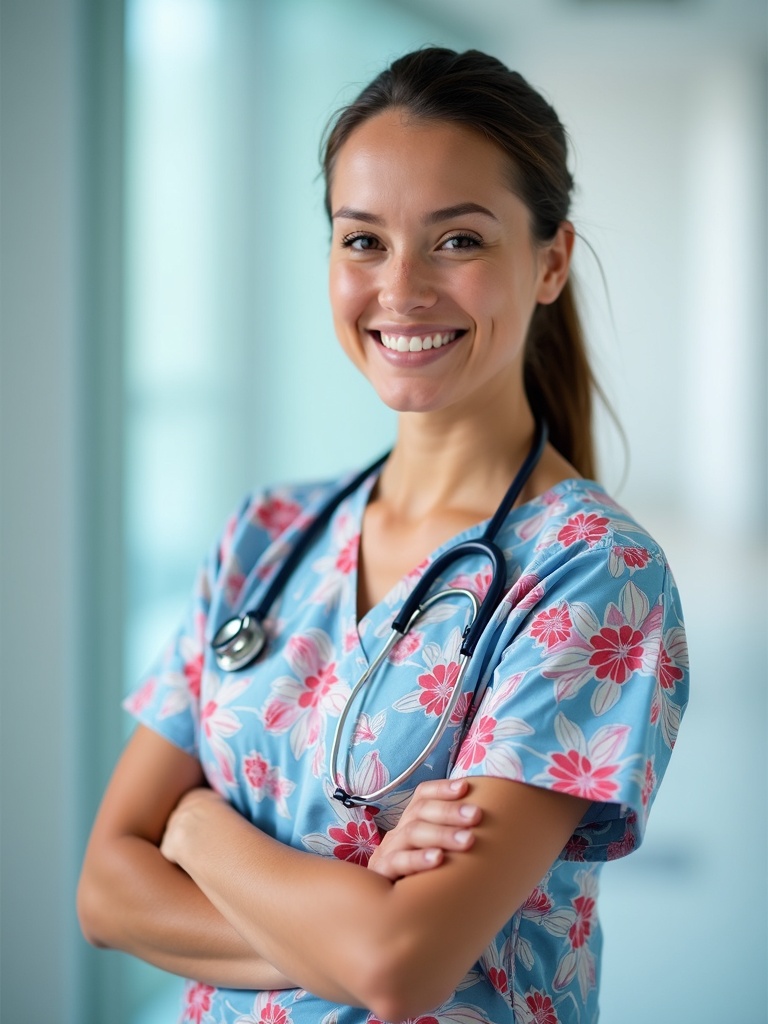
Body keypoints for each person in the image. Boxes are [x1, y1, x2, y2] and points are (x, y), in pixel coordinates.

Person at [78, 47, 689, 1024]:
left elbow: (403, 966)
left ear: (551, 262)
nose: (401, 289)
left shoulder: (592, 574)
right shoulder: (266, 534)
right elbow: (104, 891)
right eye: (363, 240)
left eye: (457, 241)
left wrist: (190, 830)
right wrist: (350, 918)